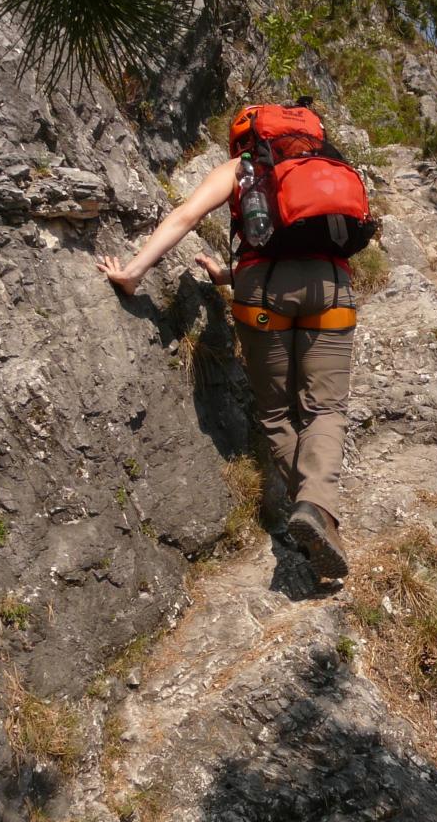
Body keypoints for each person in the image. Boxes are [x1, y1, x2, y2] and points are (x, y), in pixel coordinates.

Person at [96, 136, 355, 580]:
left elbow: (186, 216)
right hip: (330, 286)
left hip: (261, 292)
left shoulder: (242, 168)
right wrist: (227, 274)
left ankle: (315, 515)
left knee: (277, 414)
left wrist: (133, 273)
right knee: (325, 409)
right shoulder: (326, 167)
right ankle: (317, 507)